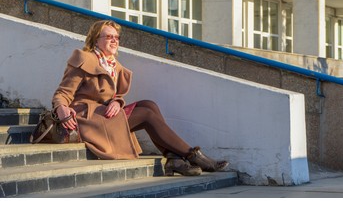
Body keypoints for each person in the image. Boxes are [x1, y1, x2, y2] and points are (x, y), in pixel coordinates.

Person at [52, 20, 228, 176]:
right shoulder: (84, 58)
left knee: (149, 105)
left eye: (116, 37)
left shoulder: (114, 65)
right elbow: (63, 92)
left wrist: (117, 101)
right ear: (95, 39)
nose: (114, 40)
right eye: (108, 37)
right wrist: (61, 108)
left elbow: (116, 95)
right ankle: (192, 156)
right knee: (146, 115)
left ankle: (174, 159)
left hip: (103, 115)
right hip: (87, 119)